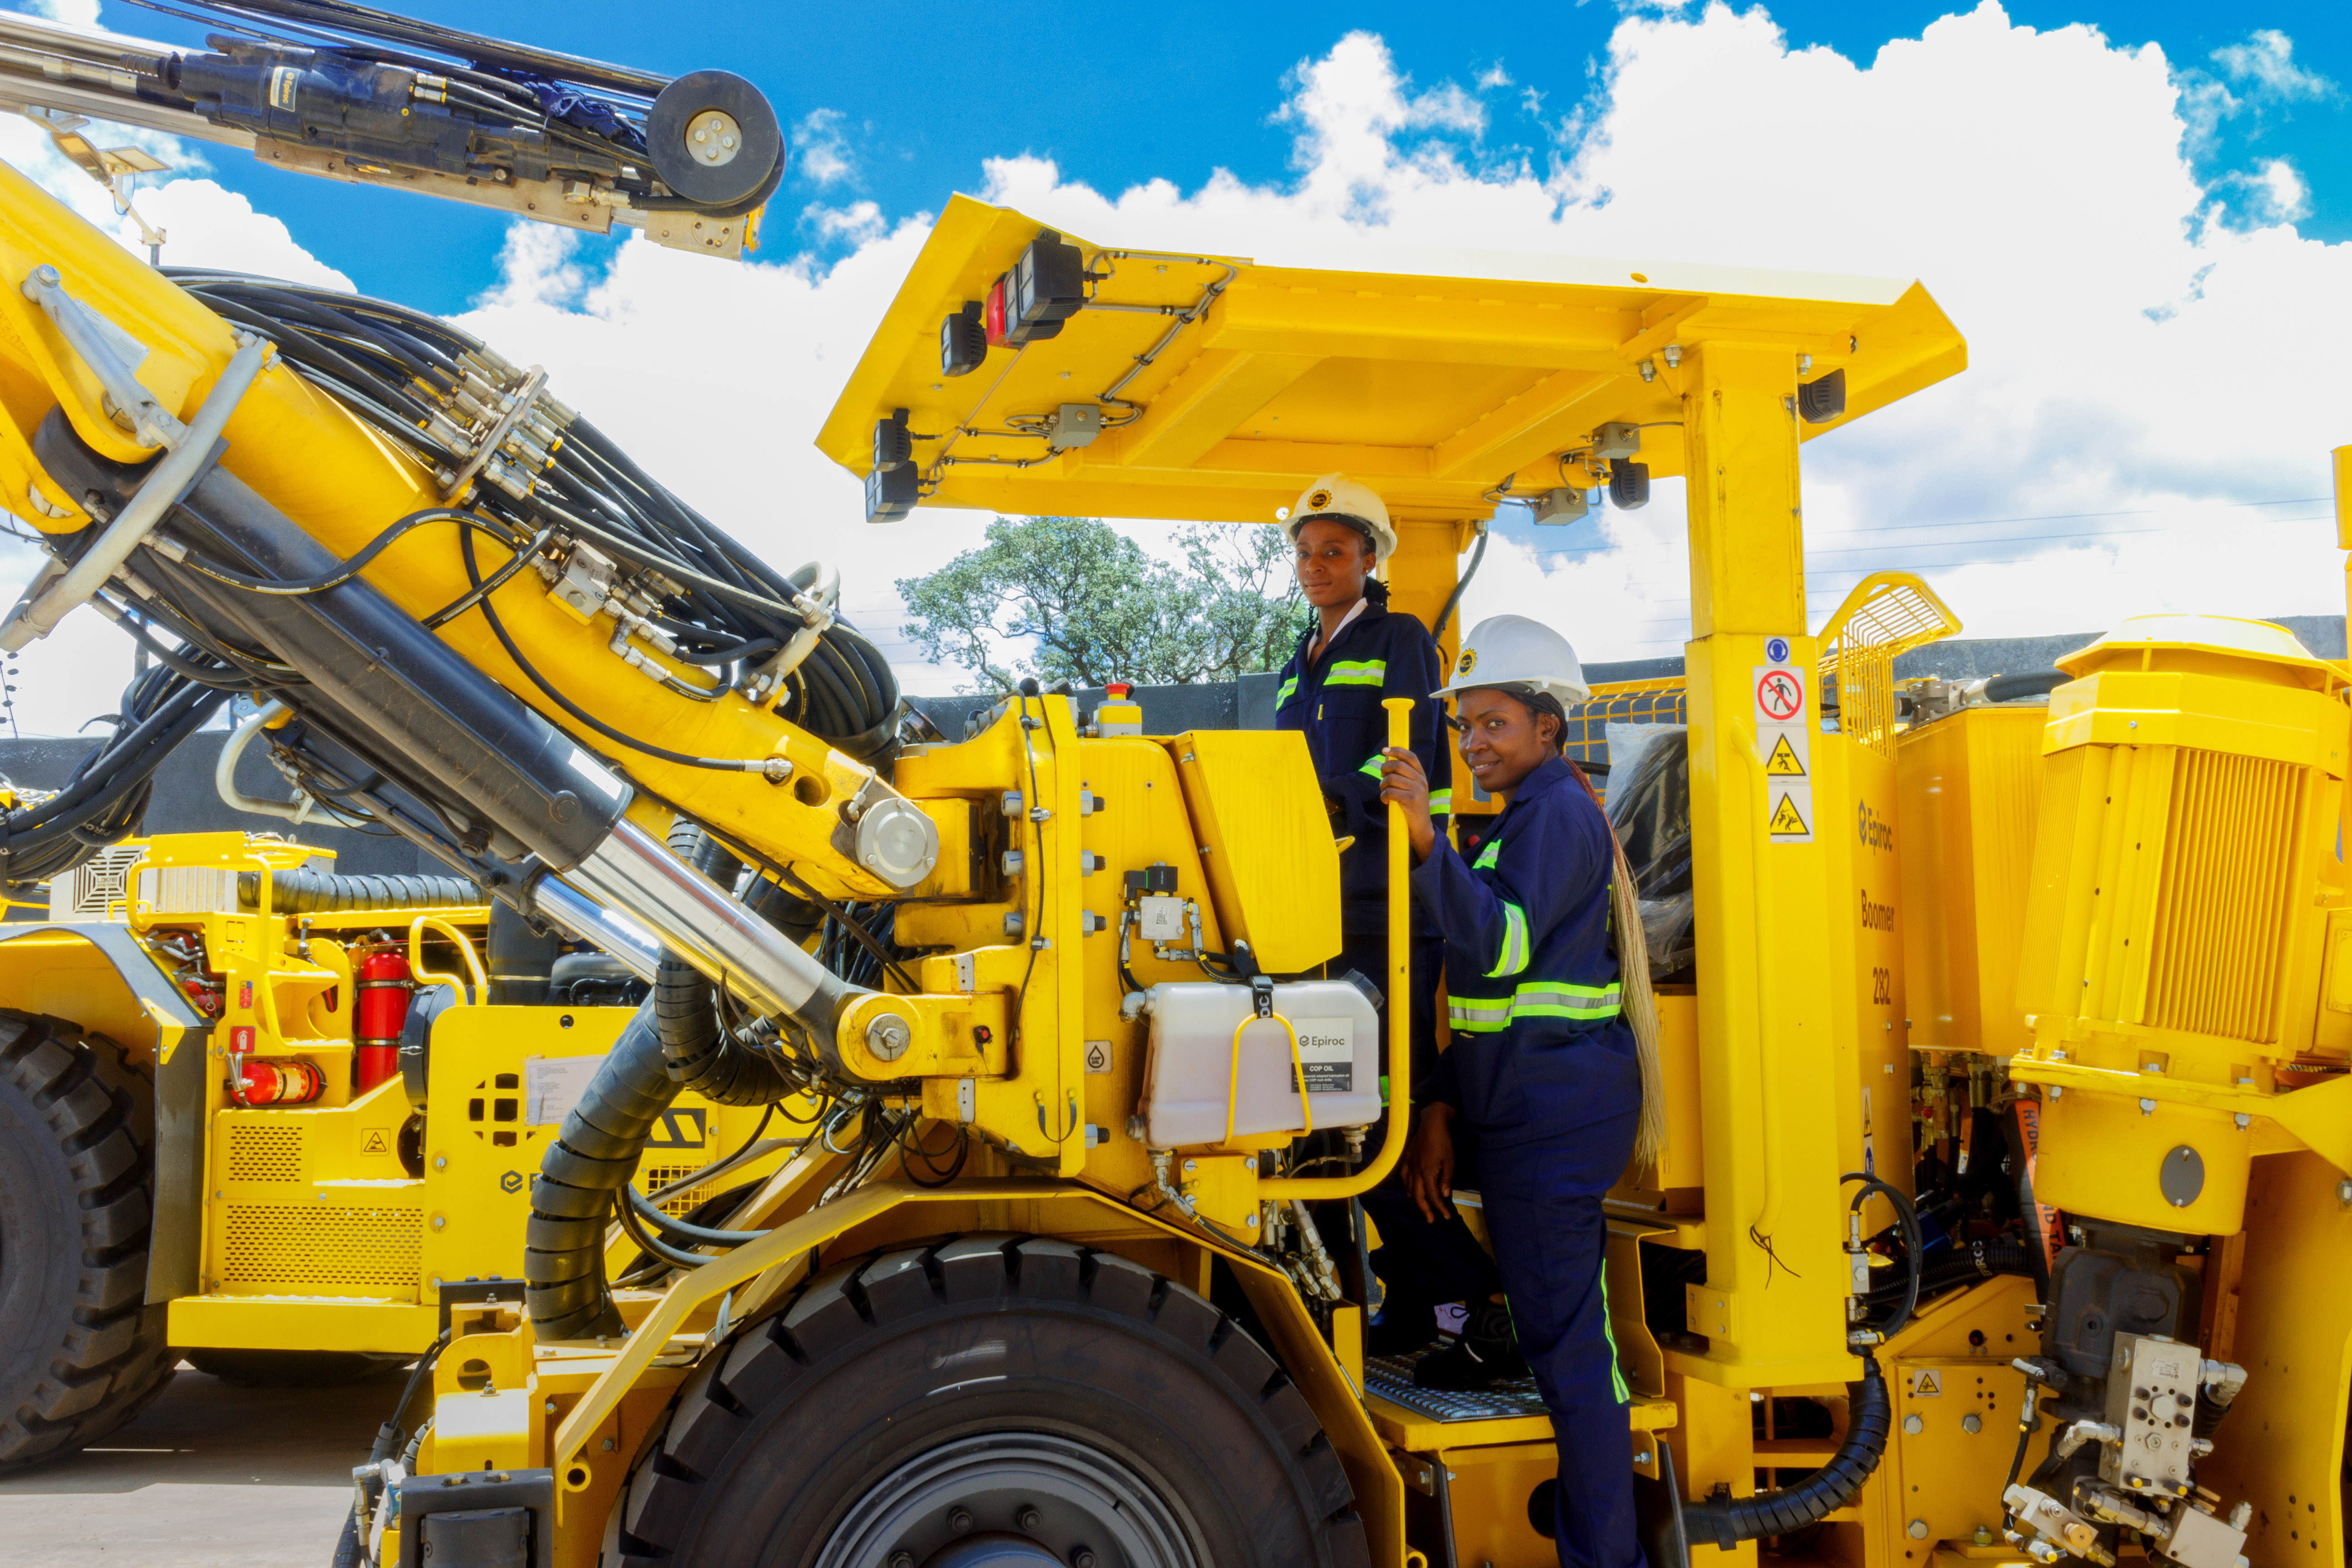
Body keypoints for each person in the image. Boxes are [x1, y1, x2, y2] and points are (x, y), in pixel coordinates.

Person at [1379, 613, 1649, 1568]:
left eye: (1494, 723)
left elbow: (1498, 946)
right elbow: (1491, 1000)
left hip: (1553, 1120)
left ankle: (1605, 1560)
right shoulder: (1521, 820)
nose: (1475, 743)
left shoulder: (1558, 817)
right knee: (1385, 1180)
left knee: (1574, 1358)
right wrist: (1442, 1105)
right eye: (1465, 727)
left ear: (1549, 729)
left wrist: (1422, 842)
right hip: (1513, 1107)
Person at [1270, 474, 1476, 1354]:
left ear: (1370, 558)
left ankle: (1465, 1306)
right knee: (1327, 1121)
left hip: (1381, 911)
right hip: (1312, 913)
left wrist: (1318, 811)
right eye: (1306, 553)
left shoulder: (1400, 643)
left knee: (1384, 1111)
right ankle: (1417, 1298)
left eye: (1333, 552)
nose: (1316, 566)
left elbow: (1410, 759)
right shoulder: (1296, 662)